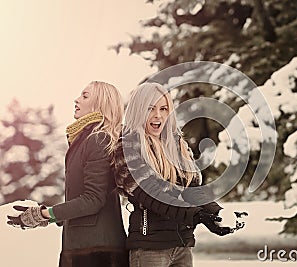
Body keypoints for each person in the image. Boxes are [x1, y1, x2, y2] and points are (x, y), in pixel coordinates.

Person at [7, 81, 129, 267]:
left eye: (85, 96)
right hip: (84, 246)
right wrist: (49, 217)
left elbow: (93, 199)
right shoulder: (84, 139)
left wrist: (46, 214)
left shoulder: (98, 139)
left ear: (100, 104)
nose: (76, 100)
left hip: (98, 252)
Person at [113, 82, 233, 267]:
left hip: (182, 245)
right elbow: (153, 195)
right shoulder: (128, 147)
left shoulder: (177, 146)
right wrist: (196, 216)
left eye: (163, 108)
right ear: (138, 110)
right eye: (150, 108)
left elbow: (192, 190)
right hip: (150, 249)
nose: (158, 115)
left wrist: (217, 214)